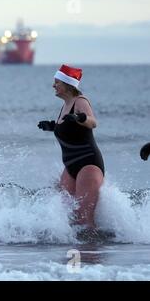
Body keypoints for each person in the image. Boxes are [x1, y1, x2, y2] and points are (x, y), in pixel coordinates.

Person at [38, 65, 105, 232]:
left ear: (67, 84)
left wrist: (79, 117)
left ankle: (91, 253)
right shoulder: (66, 105)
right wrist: (52, 126)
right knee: (69, 216)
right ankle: (72, 249)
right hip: (70, 167)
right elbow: (70, 129)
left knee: (84, 219)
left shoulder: (80, 101)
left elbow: (92, 122)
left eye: (57, 82)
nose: (54, 86)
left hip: (88, 165)